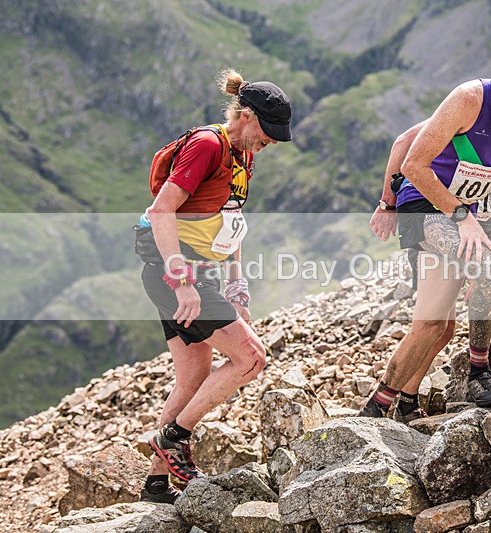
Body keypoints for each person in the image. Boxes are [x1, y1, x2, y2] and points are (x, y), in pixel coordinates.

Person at [361, 41, 491, 420]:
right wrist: (389, 203)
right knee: (460, 295)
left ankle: (400, 402)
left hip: (476, 220)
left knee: (441, 324)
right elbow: (412, 156)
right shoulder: (469, 100)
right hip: (428, 207)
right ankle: (475, 374)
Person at [136, 69, 291, 503]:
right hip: (176, 271)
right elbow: (162, 211)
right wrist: (182, 281)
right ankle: (172, 439)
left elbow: (230, 223)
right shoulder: (208, 145)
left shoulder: (245, 156)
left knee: (193, 375)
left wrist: (237, 286)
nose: (272, 142)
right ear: (244, 115)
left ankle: (155, 484)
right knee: (251, 358)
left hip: (200, 270)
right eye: (267, 132)